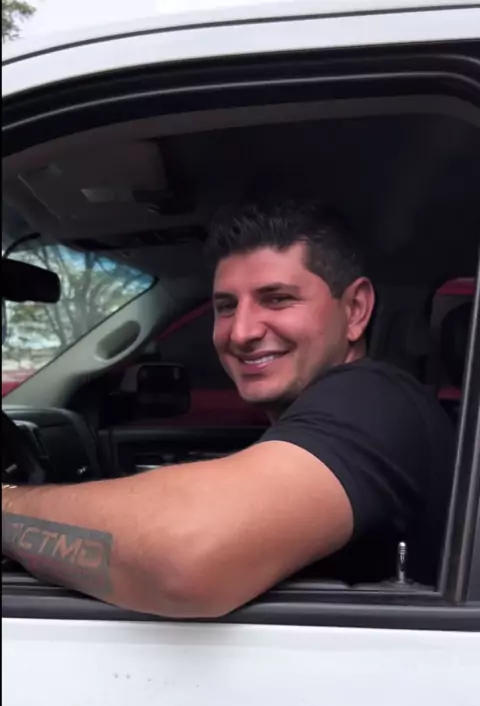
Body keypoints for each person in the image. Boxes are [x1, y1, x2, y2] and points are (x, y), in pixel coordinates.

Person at [2, 198, 454, 617]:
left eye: (277, 299)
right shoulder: (337, 409)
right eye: (225, 306)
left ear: (355, 310)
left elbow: (183, 554)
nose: (241, 332)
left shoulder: (374, 400)